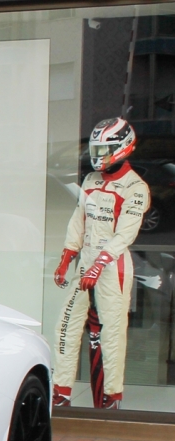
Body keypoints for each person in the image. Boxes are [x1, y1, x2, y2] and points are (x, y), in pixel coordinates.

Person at [51, 117, 150, 410]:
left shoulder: (136, 187)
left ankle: (111, 396)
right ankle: (62, 390)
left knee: (112, 332)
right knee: (65, 326)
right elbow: (78, 220)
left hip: (114, 268)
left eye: (105, 149)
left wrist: (99, 265)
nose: (99, 156)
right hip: (86, 263)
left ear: (123, 147)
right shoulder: (91, 180)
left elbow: (126, 234)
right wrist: (67, 257)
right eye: (97, 149)